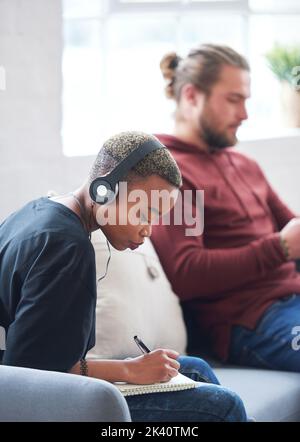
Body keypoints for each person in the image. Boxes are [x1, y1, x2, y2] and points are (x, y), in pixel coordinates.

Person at [0, 131, 247, 422]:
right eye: (144, 214)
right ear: (104, 189)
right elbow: (35, 371)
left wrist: (134, 366)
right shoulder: (67, 248)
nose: (148, 230)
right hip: (37, 402)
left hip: (29, 383)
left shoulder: (38, 210)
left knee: (192, 369)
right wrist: (130, 370)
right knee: (224, 406)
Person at [151, 44, 300, 372]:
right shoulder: (173, 173)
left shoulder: (243, 164)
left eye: (246, 100)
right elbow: (187, 271)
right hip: (251, 320)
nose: (245, 114)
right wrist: (281, 247)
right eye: (234, 100)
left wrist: (289, 243)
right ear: (191, 96)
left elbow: (292, 226)